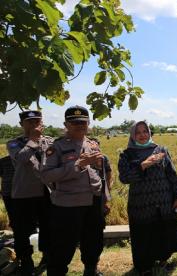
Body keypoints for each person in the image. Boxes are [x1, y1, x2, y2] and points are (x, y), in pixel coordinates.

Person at [41, 106, 105, 276]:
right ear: (66, 124)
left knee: (93, 240)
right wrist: (78, 165)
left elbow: (99, 172)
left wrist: (104, 196)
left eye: (83, 122)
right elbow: (46, 175)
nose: (80, 125)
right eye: (74, 122)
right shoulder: (56, 147)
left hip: (93, 201)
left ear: (88, 123)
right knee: (63, 246)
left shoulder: (91, 143)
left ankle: (91, 269)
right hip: (68, 205)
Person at [118, 121, 177, 276]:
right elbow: (125, 178)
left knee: (163, 230)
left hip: (164, 201)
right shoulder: (127, 154)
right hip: (141, 204)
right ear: (133, 135)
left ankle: (163, 260)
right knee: (143, 234)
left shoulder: (161, 150)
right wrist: (143, 165)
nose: (142, 135)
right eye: (138, 132)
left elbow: (172, 175)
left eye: (145, 131)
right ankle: (144, 266)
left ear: (149, 133)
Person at [7, 110, 52, 275]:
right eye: (30, 122)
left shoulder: (49, 141)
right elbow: (20, 159)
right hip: (24, 193)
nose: (34, 125)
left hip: (46, 192)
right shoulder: (14, 143)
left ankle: (47, 257)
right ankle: (25, 261)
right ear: (22, 124)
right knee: (22, 231)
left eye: (37, 121)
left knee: (48, 227)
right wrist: (33, 140)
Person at [0, 155, 15, 227]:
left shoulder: (3, 160)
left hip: (7, 191)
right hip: (22, 192)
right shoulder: (28, 159)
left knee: (12, 215)